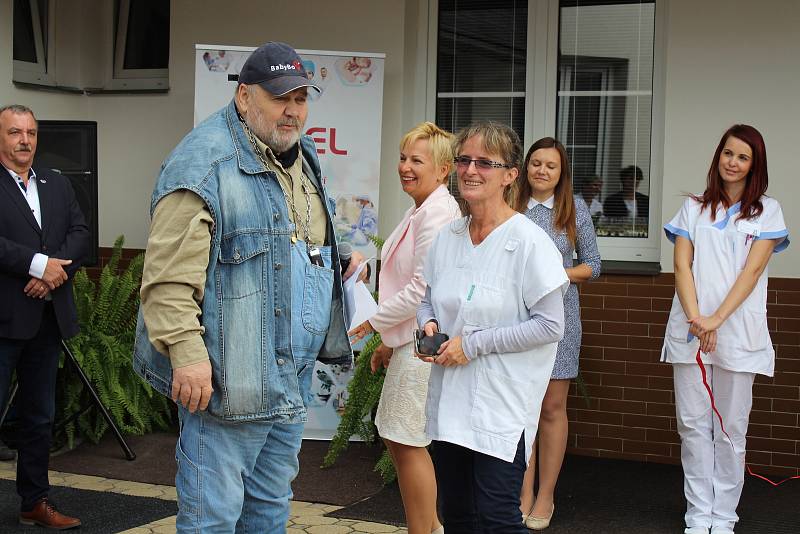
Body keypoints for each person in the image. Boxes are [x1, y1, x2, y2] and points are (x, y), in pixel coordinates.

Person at [133, 42, 362, 533]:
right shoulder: (202, 164)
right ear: (243, 97)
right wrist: (185, 354)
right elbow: (167, 279)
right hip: (226, 378)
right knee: (211, 518)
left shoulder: (301, 154)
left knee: (269, 507)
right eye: (280, 98)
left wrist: (338, 260)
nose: (293, 110)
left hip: (289, 374)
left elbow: (291, 238)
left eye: (301, 98)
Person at [416, 121, 569, 533]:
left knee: (499, 518)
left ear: (510, 175)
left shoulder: (529, 242)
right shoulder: (448, 237)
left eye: (485, 162)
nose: (470, 170)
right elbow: (428, 297)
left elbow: (551, 325)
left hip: (501, 408)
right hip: (449, 402)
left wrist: (476, 344)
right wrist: (426, 324)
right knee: (459, 515)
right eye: (464, 159)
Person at [661, 124, 789, 534]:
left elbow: (752, 272)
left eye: (743, 157)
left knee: (731, 428)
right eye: (728, 153)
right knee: (694, 425)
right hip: (691, 330)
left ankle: (725, 516)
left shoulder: (767, 211)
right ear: (719, 156)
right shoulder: (693, 209)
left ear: (755, 165)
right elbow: (682, 267)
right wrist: (700, 320)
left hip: (737, 332)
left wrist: (717, 320)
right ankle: (698, 515)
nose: (732, 162)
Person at [348, 121, 459, 534]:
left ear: (443, 170)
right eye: (402, 157)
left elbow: (421, 289)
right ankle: (430, 529)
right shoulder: (422, 208)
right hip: (410, 346)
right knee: (399, 440)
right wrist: (388, 343)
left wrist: (372, 325)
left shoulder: (437, 212)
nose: (405, 167)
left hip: (423, 352)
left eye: (417, 160)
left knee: (407, 442)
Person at [0, 104, 88, 529]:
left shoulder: (56, 182)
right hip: (2, 320)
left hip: (45, 319)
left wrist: (52, 275)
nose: (25, 140)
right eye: (15, 132)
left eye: (31, 132)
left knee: (39, 416)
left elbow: (79, 233)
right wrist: (38, 264)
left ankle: (34, 502)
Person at [515, 137, 601, 530]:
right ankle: (521, 492)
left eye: (550, 165)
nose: (542, 171)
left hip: (560, 320)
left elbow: (593, 266)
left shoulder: (573, 208)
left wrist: (554, 276)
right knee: (521, 410)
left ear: (561, 171)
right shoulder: (510, 206)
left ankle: (545, 495)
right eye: (535, 163)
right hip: (513, 321)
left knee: (550, 409)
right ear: (525, 167)